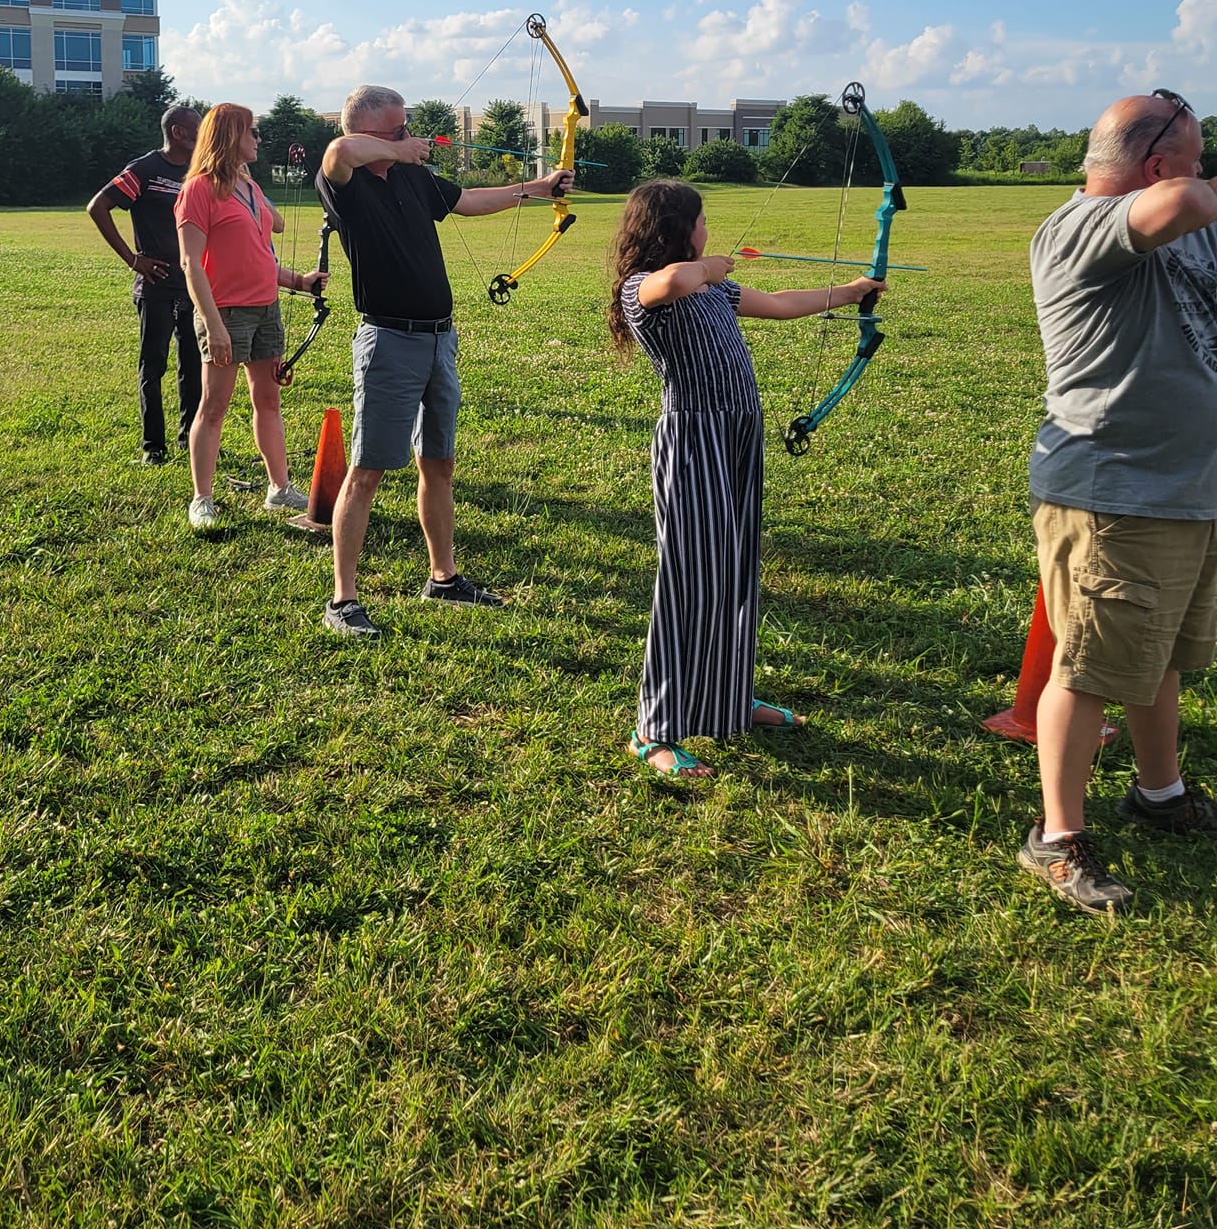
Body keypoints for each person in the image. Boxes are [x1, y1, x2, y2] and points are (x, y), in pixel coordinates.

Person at [608, 178, 887, 776]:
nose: (710, 230)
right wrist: (705, 266)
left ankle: (730, 700)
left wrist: (853, 290)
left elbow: (783, 303)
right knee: (689, 579)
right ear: (676, 229)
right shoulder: (645, 290)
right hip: (693, 443)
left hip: (737, 440)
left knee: (733, 573)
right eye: (702, 220)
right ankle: (652, 729)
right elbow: (674, 281)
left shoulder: (714, 290)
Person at [1018, 89, 1217, 915]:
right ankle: (1056, 839)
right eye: (1198, 156)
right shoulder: (1078, 227)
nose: (1203, 173)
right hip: (1115, 489)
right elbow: (1188, 200)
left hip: (1189, 488)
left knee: (1158, 655)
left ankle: (1159, 792)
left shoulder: (1184, 219)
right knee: (1090, 666)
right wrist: (1195, 186)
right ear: (1157, 164)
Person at [316, 83, 573, 636]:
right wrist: (393, 149)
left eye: (408, 128)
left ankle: (443, 578)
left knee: (439, 463)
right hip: (388, 341)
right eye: (398, 130)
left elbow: (469, 202)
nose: (410, 137)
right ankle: (342, 601)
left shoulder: (413, 176)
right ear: (366, 133)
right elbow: (338, 155)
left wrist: (540, 187)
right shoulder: (347, 183)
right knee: (367, 472)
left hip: (439, 339)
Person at [176, 103, 327, 531]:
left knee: (269, 399)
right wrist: (215, 325)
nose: (258, 139)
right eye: (252, 133)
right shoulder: (199, 190)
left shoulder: (249, 187)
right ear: (229, 137)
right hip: (224, 312)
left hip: (266, 308)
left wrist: (299, 280)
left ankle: (279, 489)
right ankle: (201, 499)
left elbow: (264, 249)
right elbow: (191, 263)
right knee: (214, 406)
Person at [87, 103, 203, 465]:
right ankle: (154, 447)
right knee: (153, 367)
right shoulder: (145, 169)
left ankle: (191, 440)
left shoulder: (199, 171)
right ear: (178, 133)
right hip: (156, 285)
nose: (203, 135)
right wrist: (133, 260)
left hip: (194, 284)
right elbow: (98, 207)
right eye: (196, 128)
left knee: (194, 364)